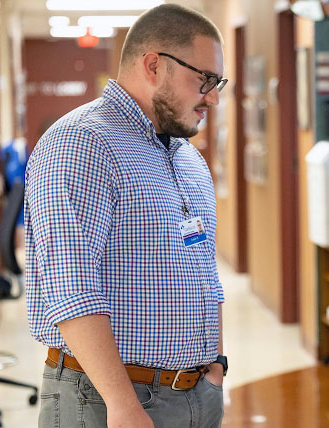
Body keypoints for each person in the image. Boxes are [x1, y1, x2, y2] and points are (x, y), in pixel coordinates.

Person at [25, 4, 228, 428]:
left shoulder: (186, 156)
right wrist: (122, 404)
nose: (212, 97)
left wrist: (215, 368)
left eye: (218, 82)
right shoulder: (81, 143)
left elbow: (204, 269)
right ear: (154, 64)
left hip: (194, 394)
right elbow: (70, 285)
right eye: (204, 79)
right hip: (107, 401)